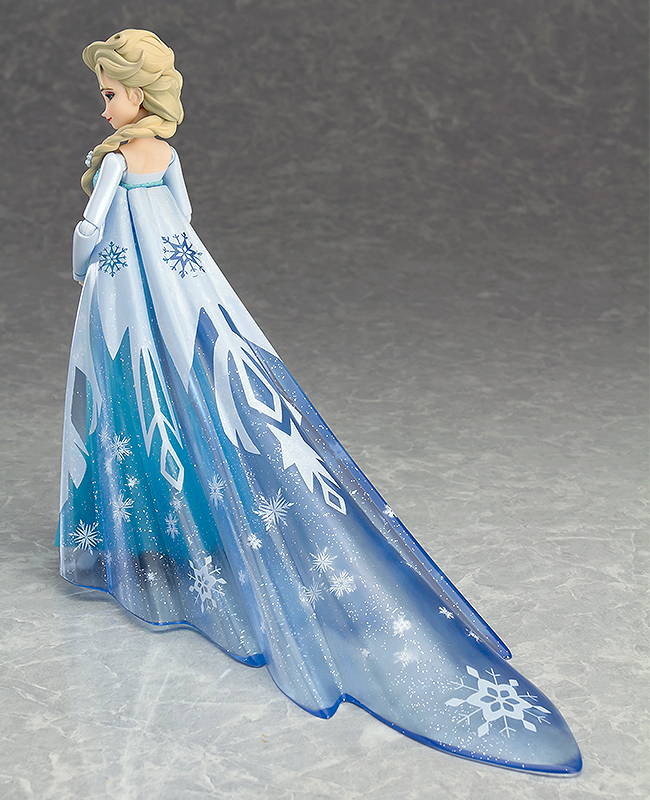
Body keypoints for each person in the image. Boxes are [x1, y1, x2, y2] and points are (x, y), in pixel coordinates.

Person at [58, 29, 581, 774]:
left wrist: (92, 264)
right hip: (170, 275)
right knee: (169, 385)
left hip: (128, 281)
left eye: (110, 94)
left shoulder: (117, 160)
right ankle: (173, 518)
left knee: (139, 388)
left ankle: (155, 521)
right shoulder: (163, 155)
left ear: (137, 95)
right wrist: (175, 268)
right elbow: (187, 215)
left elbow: (91, 227)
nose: (105, 107)